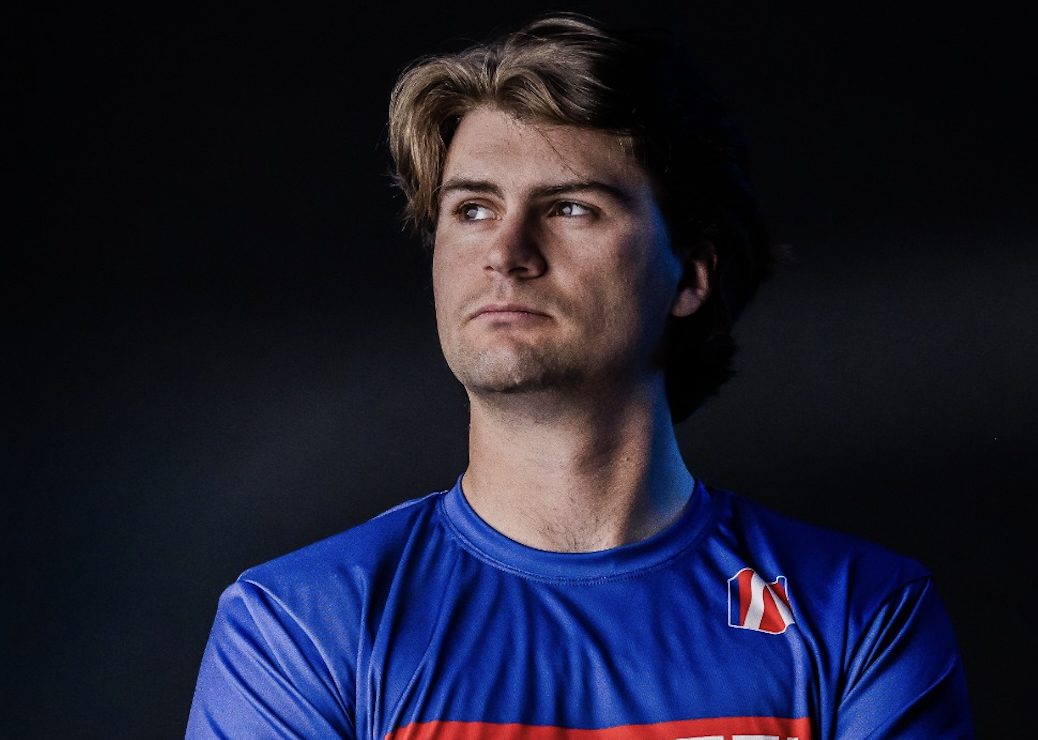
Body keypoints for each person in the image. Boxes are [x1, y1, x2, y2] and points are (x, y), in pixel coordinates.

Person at [187, 14, 973, 739]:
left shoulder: (859, 615)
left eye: (570, 208)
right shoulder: (297, 624)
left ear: (690, 276)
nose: (506, 252)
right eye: (472, 210)